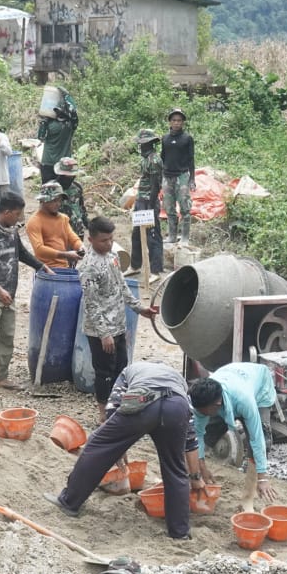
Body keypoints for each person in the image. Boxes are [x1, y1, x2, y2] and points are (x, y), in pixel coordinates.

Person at [43, 361, 203, 540]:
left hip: (143, 400)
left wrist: (117, 448)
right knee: (175, 468)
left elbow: (113, 407)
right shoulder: (179, 383)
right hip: (175, 408)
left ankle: (69, 502)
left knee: (97, 445)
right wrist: (195, 478)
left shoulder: (128, 372)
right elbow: (190, 438)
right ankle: (179, 532)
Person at [0, 190, 52, 401]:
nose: (19, 218)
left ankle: (1, 377)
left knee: (6, 338)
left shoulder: (11, 231)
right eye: (17, 214)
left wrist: (41, 266)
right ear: (6, 212)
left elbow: (21, 253)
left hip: (9, 295)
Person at [78, 216, 158, 419]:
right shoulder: (89, 267)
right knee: (104, 372)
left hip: (119, 325)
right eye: (104, 240)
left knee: (121, 369)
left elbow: (122, 285)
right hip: (100, 330)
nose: (109, 243)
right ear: (91, 239)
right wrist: (104, 334)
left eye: (111, 239)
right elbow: (91, 303)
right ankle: (103, 414)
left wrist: (139, 308)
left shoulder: (112, 256)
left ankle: (119, 408)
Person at [187, 362, 278, 511]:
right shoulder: (204, 399)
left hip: (259, 386)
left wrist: (263, 477)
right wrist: (201, 468)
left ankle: (248, 499)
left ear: (216, 405)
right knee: (209, 432)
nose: (200, 414)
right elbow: (197, 434)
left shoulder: (244, 400)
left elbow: (257, 438)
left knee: (262, 440)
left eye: (203, 411)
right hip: (232, 375)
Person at [128, 128, 164, 281]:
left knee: (152, 235)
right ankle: (135, 265)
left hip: (149, 201)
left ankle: (155, 271)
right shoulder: (145, 159)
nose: (141, 147)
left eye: (144, 144)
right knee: (137, 233)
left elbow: (156, 185)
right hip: (141, 199)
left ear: (150, 144)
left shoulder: (154, 160)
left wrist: (150, 206)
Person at [26, 181, 84, 270]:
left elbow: (73, 239)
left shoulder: (63, 219)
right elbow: (39, 250)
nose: (58, 204)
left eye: (60, 200)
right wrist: (65, 254)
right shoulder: (35, 221)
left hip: (64, 267)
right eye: (54, 200)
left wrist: (81, 247)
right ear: (43, 200)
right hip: (45, 269)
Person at [161, 108, 196, 245]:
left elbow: (191, 159)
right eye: (174, 120)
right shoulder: (165, 138)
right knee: (169, 208)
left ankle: (185, 237)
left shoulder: (187, 138)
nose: (176, 123)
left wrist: (192, 179)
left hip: (182, 176)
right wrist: (160, 177)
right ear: (170, 122)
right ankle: (172, 236)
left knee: (185, 207)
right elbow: (162, 157)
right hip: (167, 176)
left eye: (179, 120)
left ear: (183, 123)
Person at [37, 87, 76, 182]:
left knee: (48, 191)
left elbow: (40, 137)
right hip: (64, 165)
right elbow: (74, 111)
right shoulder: (70, 125)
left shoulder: (48, 125)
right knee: (62, 191)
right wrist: (67, 95)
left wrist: (44, 121)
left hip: (48, 163)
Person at [54, 156, 89, 240]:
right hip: (59, 233)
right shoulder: (52, 189)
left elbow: (81, 208)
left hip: (77, 231)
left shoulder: (77, 188)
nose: (70, 178)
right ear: (60, 174)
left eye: (72, 176)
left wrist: (87, 223)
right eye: (67, 176)